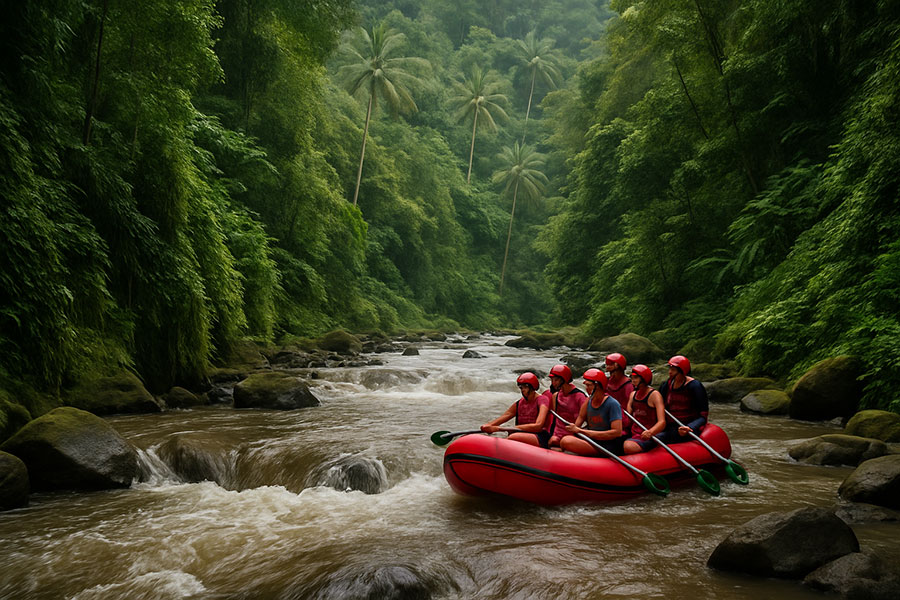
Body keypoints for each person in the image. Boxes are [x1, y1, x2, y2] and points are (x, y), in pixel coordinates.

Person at [560, 368, 624, 456]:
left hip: (607, 445)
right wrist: (574, 429)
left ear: (597, 386)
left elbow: (617, 432)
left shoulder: (612, 404)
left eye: (589, 386)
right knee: (565, 440)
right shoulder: (588, 401)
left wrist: (581, 431)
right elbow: (581, 418)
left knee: (566, 441)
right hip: (592, 440)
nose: (586, 389)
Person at [481, 372, 552, 448]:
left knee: (513, 437)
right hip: (522, 433)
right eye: (521, 388)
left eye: (525, 387)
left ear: (532, 387)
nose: (522, 390)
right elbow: (506, 415)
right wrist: (489, 425)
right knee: (513, 436)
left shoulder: (542, 400)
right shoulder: (520, 403)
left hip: (540, 436)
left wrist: (500, 429)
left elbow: (538, 425)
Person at [659, 355, 709, 442]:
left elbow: (703, 416)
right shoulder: (667, 385)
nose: (670, 372)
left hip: (686, 426)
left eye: (673, 370)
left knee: (660, 437)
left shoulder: (695, 386)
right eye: (670, 369)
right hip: (670, 424)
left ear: (682, 372)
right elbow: (660, 406)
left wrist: (690, 427)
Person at [622, 364, 667, 454]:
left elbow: (662, 422)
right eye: (632, 377)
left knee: (628, 446)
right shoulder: (633, 395)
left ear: (644, 379)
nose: (632, 380)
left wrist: (650, 432)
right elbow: (628, 419)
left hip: (651, 435)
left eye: (636, 378)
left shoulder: (654, 395)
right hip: (635, 434)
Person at [546, 364, 588, 447]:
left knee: (564, 443)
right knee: (553, 441)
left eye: (556, 380)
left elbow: (587, 420)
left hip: (573, 435)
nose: (553, 383)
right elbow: (555, 419)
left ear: (564, 380)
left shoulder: (579, 396)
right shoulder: (556, 396)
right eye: (552, 380)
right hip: (557, 434)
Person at [604, 352, 633, 439]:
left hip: (622, 419)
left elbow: (631, 408)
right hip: (608, 416)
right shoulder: (608, 382)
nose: (607, 368)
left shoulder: (628, 385)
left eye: (610, 365)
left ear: (617, 366)